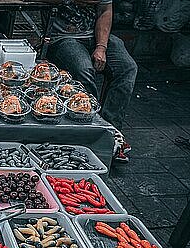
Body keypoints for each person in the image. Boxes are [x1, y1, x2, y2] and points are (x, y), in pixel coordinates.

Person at [42, 0, 137, 158]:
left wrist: (101, 47)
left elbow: (105, 10)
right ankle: (89, 131)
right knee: (84, 71)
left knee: (127, 68)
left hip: (96, 36)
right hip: (63, 37)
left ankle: (111, 131)